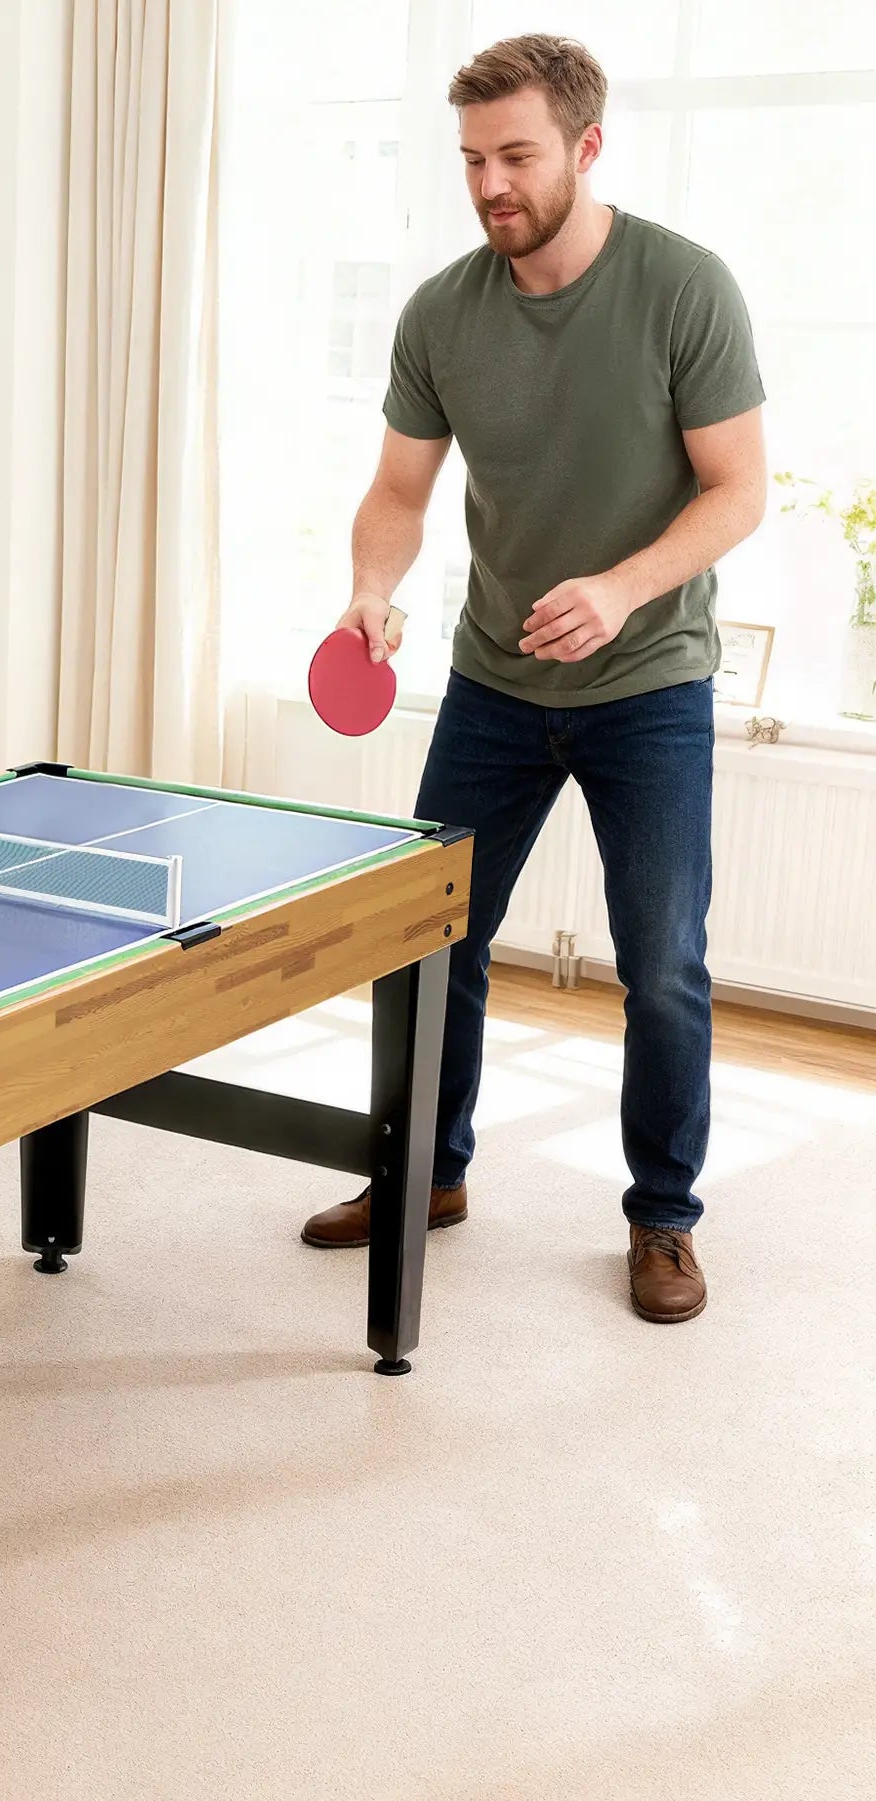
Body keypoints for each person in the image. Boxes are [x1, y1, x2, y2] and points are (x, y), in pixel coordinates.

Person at [300, 33, 765, 1325]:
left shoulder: (684, 288)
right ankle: (426, 1174)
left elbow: (738, 491)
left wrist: (621, 588)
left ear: (587, 147)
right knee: (430, 936)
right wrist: (372, 589)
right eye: (471, 159)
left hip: (651, 684)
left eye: (515, 155)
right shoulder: (442, 313)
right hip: (494, 685)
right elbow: (400, 491)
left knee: (662, 965)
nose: (490, 184)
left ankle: (664, 1217)